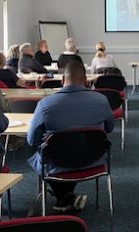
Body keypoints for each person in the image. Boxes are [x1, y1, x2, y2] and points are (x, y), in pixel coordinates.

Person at [27, 62, 114, 212]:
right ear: (86, 80)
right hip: (93, 159)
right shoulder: (101, 100)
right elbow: (109, 128)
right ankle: (66, 196)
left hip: (56, 162)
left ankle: (63, 196)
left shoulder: (45, 105)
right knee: (71, 148)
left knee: (49, 153)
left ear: (62, 81)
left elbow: (31, 140)